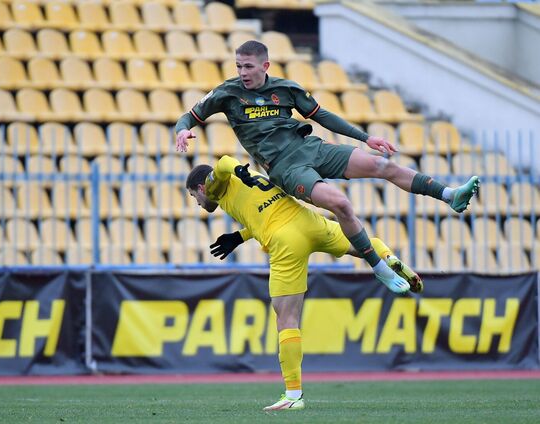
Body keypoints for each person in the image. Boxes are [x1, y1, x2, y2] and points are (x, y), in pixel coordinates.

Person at [175, 40, 479, 291]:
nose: (242, 72)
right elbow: (189, 115)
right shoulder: (228, 93)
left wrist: (366, 137)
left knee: (382, 166)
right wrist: (182, 129)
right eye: (239, 66)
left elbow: (322, 116)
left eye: (248, 66)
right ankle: (378, 267)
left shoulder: (286, 89)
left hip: (310, 148)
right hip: (286, 168)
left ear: (265, 66)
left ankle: (449, 195)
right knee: (340, 204)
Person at [185, 155, 423, 411]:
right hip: (308, 222)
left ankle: (293, 395)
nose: (199, 203)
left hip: (286, 239)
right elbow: (261, 213)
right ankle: (388, 258)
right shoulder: (240, 187)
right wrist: (240, 236)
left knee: (286, 319)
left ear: (201, 188)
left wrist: (236, 169)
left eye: (194, 196)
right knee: (360, 244)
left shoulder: (214, 185)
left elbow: (222, 163)